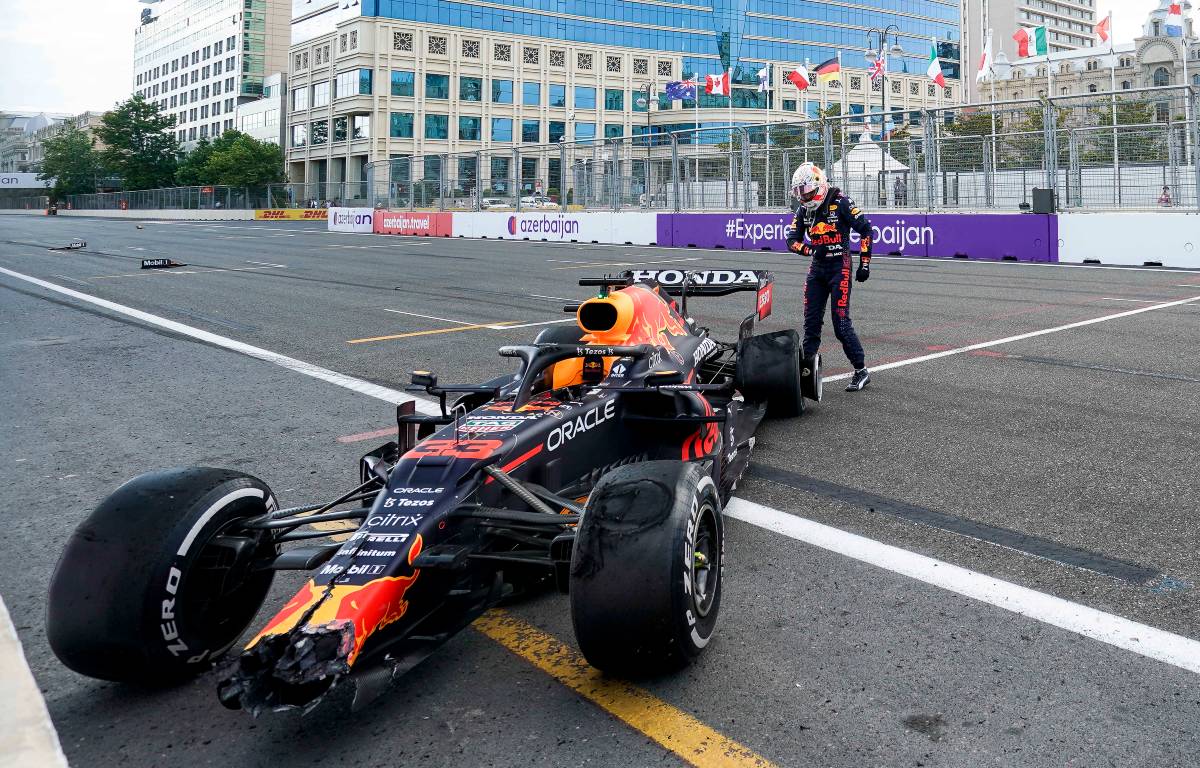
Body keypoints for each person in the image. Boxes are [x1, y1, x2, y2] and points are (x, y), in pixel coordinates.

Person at [785, 162, 873, 392]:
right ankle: (806, 374)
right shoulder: (804, 210)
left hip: (840, 267)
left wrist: (865, 264)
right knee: (811, 324)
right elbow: (791, 240)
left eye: (806, 192)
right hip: (817, 269)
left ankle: (861, 370)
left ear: (819, 185)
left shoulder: (841, 201)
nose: (803, 198)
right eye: (799, 193)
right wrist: (811, 250)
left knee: (841, 324)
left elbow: (866, 229)